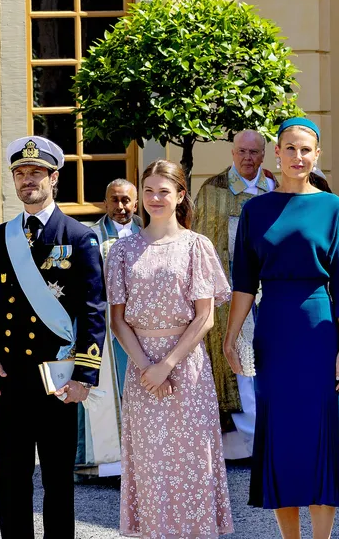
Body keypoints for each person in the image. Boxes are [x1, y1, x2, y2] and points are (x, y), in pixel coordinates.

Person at [223, 117, 339, 539]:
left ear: (317, 155)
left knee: (321, 432)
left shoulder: (333, 208)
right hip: (274, 332)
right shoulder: (255, 210)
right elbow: (244, 281)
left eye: (306, 149)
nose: (298, 157)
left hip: (320, 332)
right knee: (279, 432)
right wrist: (231, 336)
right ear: (275, 154)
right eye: (290, 148)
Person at [0, 136, 107, 538]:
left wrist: (85, 376)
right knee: (11, 481)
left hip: (57, 378)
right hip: (10, 375)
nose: (27, 180)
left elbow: (92, 310)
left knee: (56, 483)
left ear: (54, 177)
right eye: (20, 173)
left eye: (36, 173)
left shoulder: (79, 237)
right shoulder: (3, 237)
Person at [106, 160, 234, 538]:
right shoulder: (122, 251)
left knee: (192, 463)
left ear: (180, 195)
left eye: (164, 191)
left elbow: (205, 317)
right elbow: (117, 320)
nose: (155, 198)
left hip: (187, 369)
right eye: (149, 191)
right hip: (141, 368)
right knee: (151, 464)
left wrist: (167, 365)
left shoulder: (197, 246)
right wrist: (148, 366)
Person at [191, 129, 276, 459]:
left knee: (268, 358)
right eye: (242, 151)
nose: (247, 158)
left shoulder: (275, 188)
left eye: (254, 152)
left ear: (264, 155)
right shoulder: (212, 190)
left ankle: (270, 433)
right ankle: (248, 441)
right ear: (232, 153)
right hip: (229, 292)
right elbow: (200, 243)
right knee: (237, 362)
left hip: (270, 292)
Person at [81, 178, 143, 476]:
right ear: (105, 203)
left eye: (126, 200)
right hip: (104, 326)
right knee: (107, 391)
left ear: (136, 202)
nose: (121, 207)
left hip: (144, 327)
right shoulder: (90, 237)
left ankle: (144, 461)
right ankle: (107, 463)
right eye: (114, 200)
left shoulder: (150, 233)